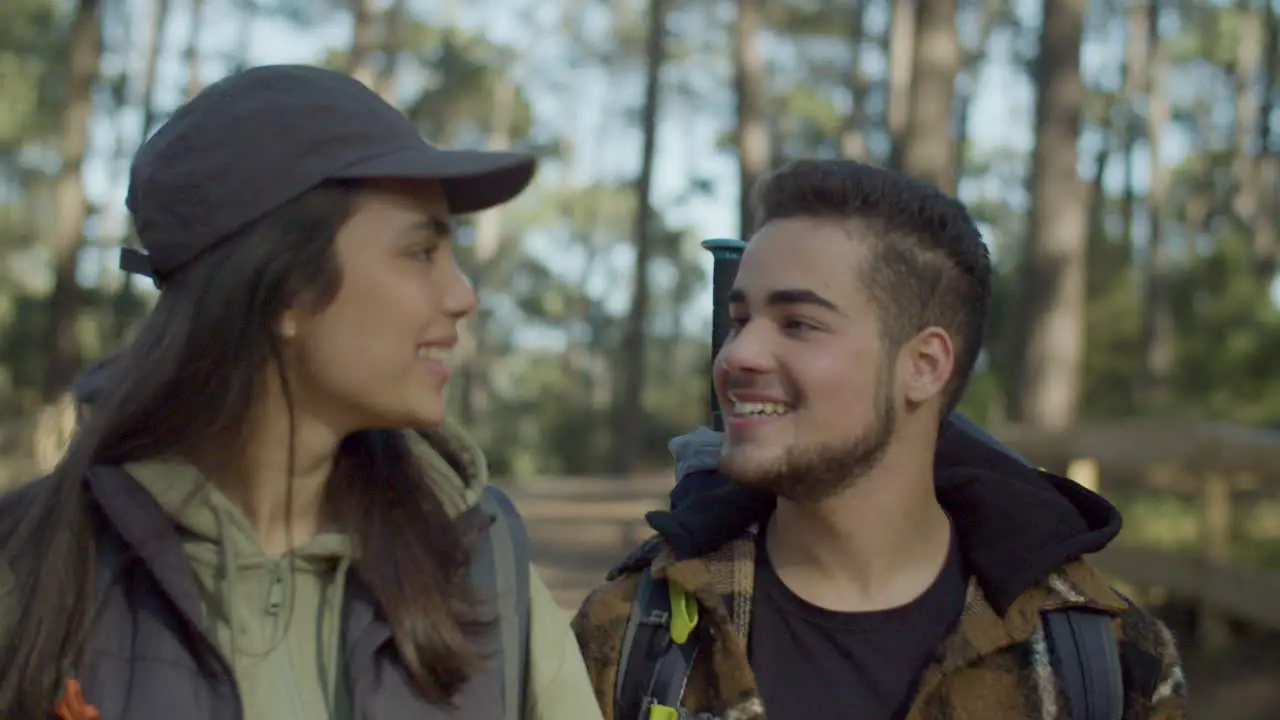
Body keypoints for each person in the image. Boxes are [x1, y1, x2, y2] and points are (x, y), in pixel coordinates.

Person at [0, 64, 603, 720]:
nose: (463, 296)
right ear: (285, 287)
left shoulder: (481, 564)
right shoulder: (31, 569)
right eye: (421, 253)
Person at [571, 160, 1187, 720]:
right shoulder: (627, 639)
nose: (738, 354)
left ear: (924, 366)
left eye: (799, 324)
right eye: (738, 321)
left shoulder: (1105, 662)